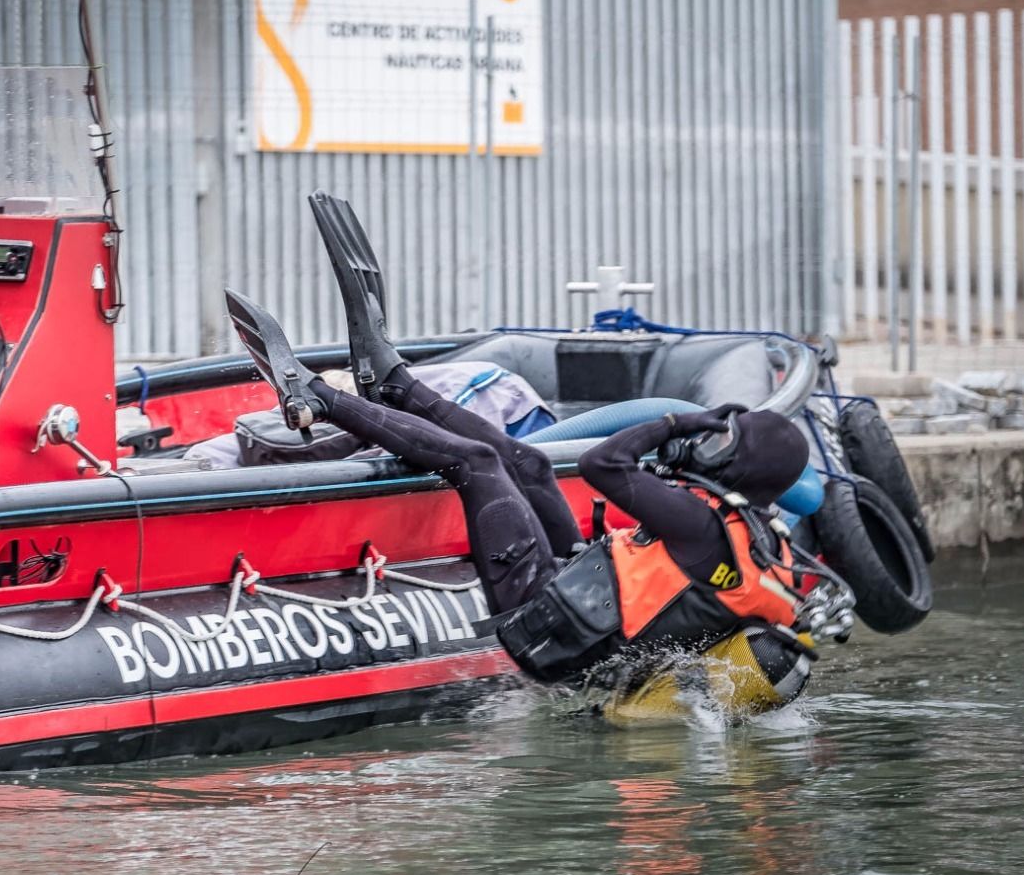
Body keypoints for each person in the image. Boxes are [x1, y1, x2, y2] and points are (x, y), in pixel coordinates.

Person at [225, 271, 815, 692]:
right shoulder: (759, 536)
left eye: (722, 443)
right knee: (529, 463)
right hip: (582, 615)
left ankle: (316, 398)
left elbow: (603, 465)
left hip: (545, 621)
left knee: (476, 463)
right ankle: (397, 387)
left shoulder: (701, 525)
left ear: (742, 468)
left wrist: (673, 423)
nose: (709, 446)